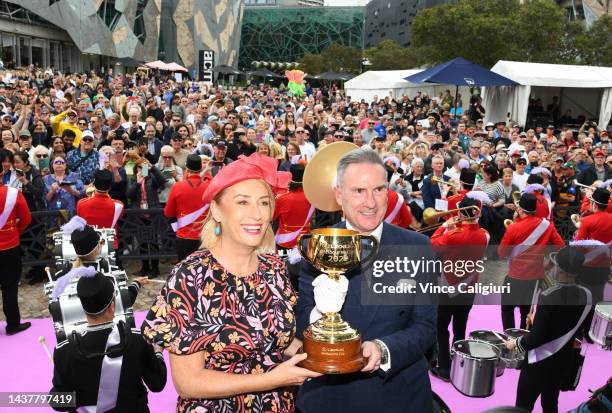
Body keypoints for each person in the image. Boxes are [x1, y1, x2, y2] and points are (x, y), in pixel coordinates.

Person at [142, 152, 321, 412]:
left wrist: (324, 353)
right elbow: (188, 382)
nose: (257, 214)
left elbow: (277, 339)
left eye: (264, 203)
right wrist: (270, 380)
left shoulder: (274, 269)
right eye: (242, 202)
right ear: (216, 209)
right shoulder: (190, 277)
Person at [296, 148, 437, 413]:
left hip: (399, 396)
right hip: (329, 397)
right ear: (339, 195)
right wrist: (320, 311)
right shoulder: (318, 244)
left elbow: (426, 327)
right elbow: (301, 320)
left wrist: (383, 350)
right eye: (359, 191)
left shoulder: (418, 246)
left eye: (379, 189)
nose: (370, 202)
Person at [50, 266, 167, 411]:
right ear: (112, 305)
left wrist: (84, 398)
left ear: (82, 307)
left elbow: (58, 403)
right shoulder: (136, 341)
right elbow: (157, 384)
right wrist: (158, 352)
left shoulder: (64, 351)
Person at [504, 246, 591, 413]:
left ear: (561, 269)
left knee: (523, 405)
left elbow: (536, 339)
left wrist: (514, 342)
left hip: (539, 362)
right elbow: (571, 324)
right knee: (550, 403)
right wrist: (538, 320)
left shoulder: (548, 296)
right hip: (563, 360)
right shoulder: (586, 294)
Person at [430, 193, 490, 381]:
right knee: (460, 326)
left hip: (448, 287)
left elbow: (432, 244)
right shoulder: (485, 235)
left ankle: (444, 367)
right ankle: (458, 362)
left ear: (462, 214)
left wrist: (443, 227)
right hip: (469, 288)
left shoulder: (452, 235)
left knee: (441, 327)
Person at [498, 193, 565, 330]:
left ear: (520, 210)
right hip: (535, 276)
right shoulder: (547, 226)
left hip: (515, 276)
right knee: (527, 311)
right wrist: (549, 264)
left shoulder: (513, 227)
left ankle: (509, 336)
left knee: (507, 309)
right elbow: (561, 248)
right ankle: (523, 340)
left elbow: (502, 252)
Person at [0, 171, 32, 335]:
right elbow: (26, 218)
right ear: (2, 173)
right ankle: (12, 325)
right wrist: (15, 231)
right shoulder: (13, 194)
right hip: (9, 247)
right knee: (10, 288)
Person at [164, 154, 211, 261]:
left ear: (187, 168)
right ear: (200, 168)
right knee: (202, 271)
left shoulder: (178, 186)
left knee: (185, 272)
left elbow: (168, 212)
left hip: (184, 236)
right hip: (204, 236)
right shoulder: (208, 187)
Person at [76, 169, 125, 261]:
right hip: (109, 245)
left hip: (89, 247)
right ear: (110, 187)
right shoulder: (118, 205)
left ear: (94, 184)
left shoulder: (81, 203)